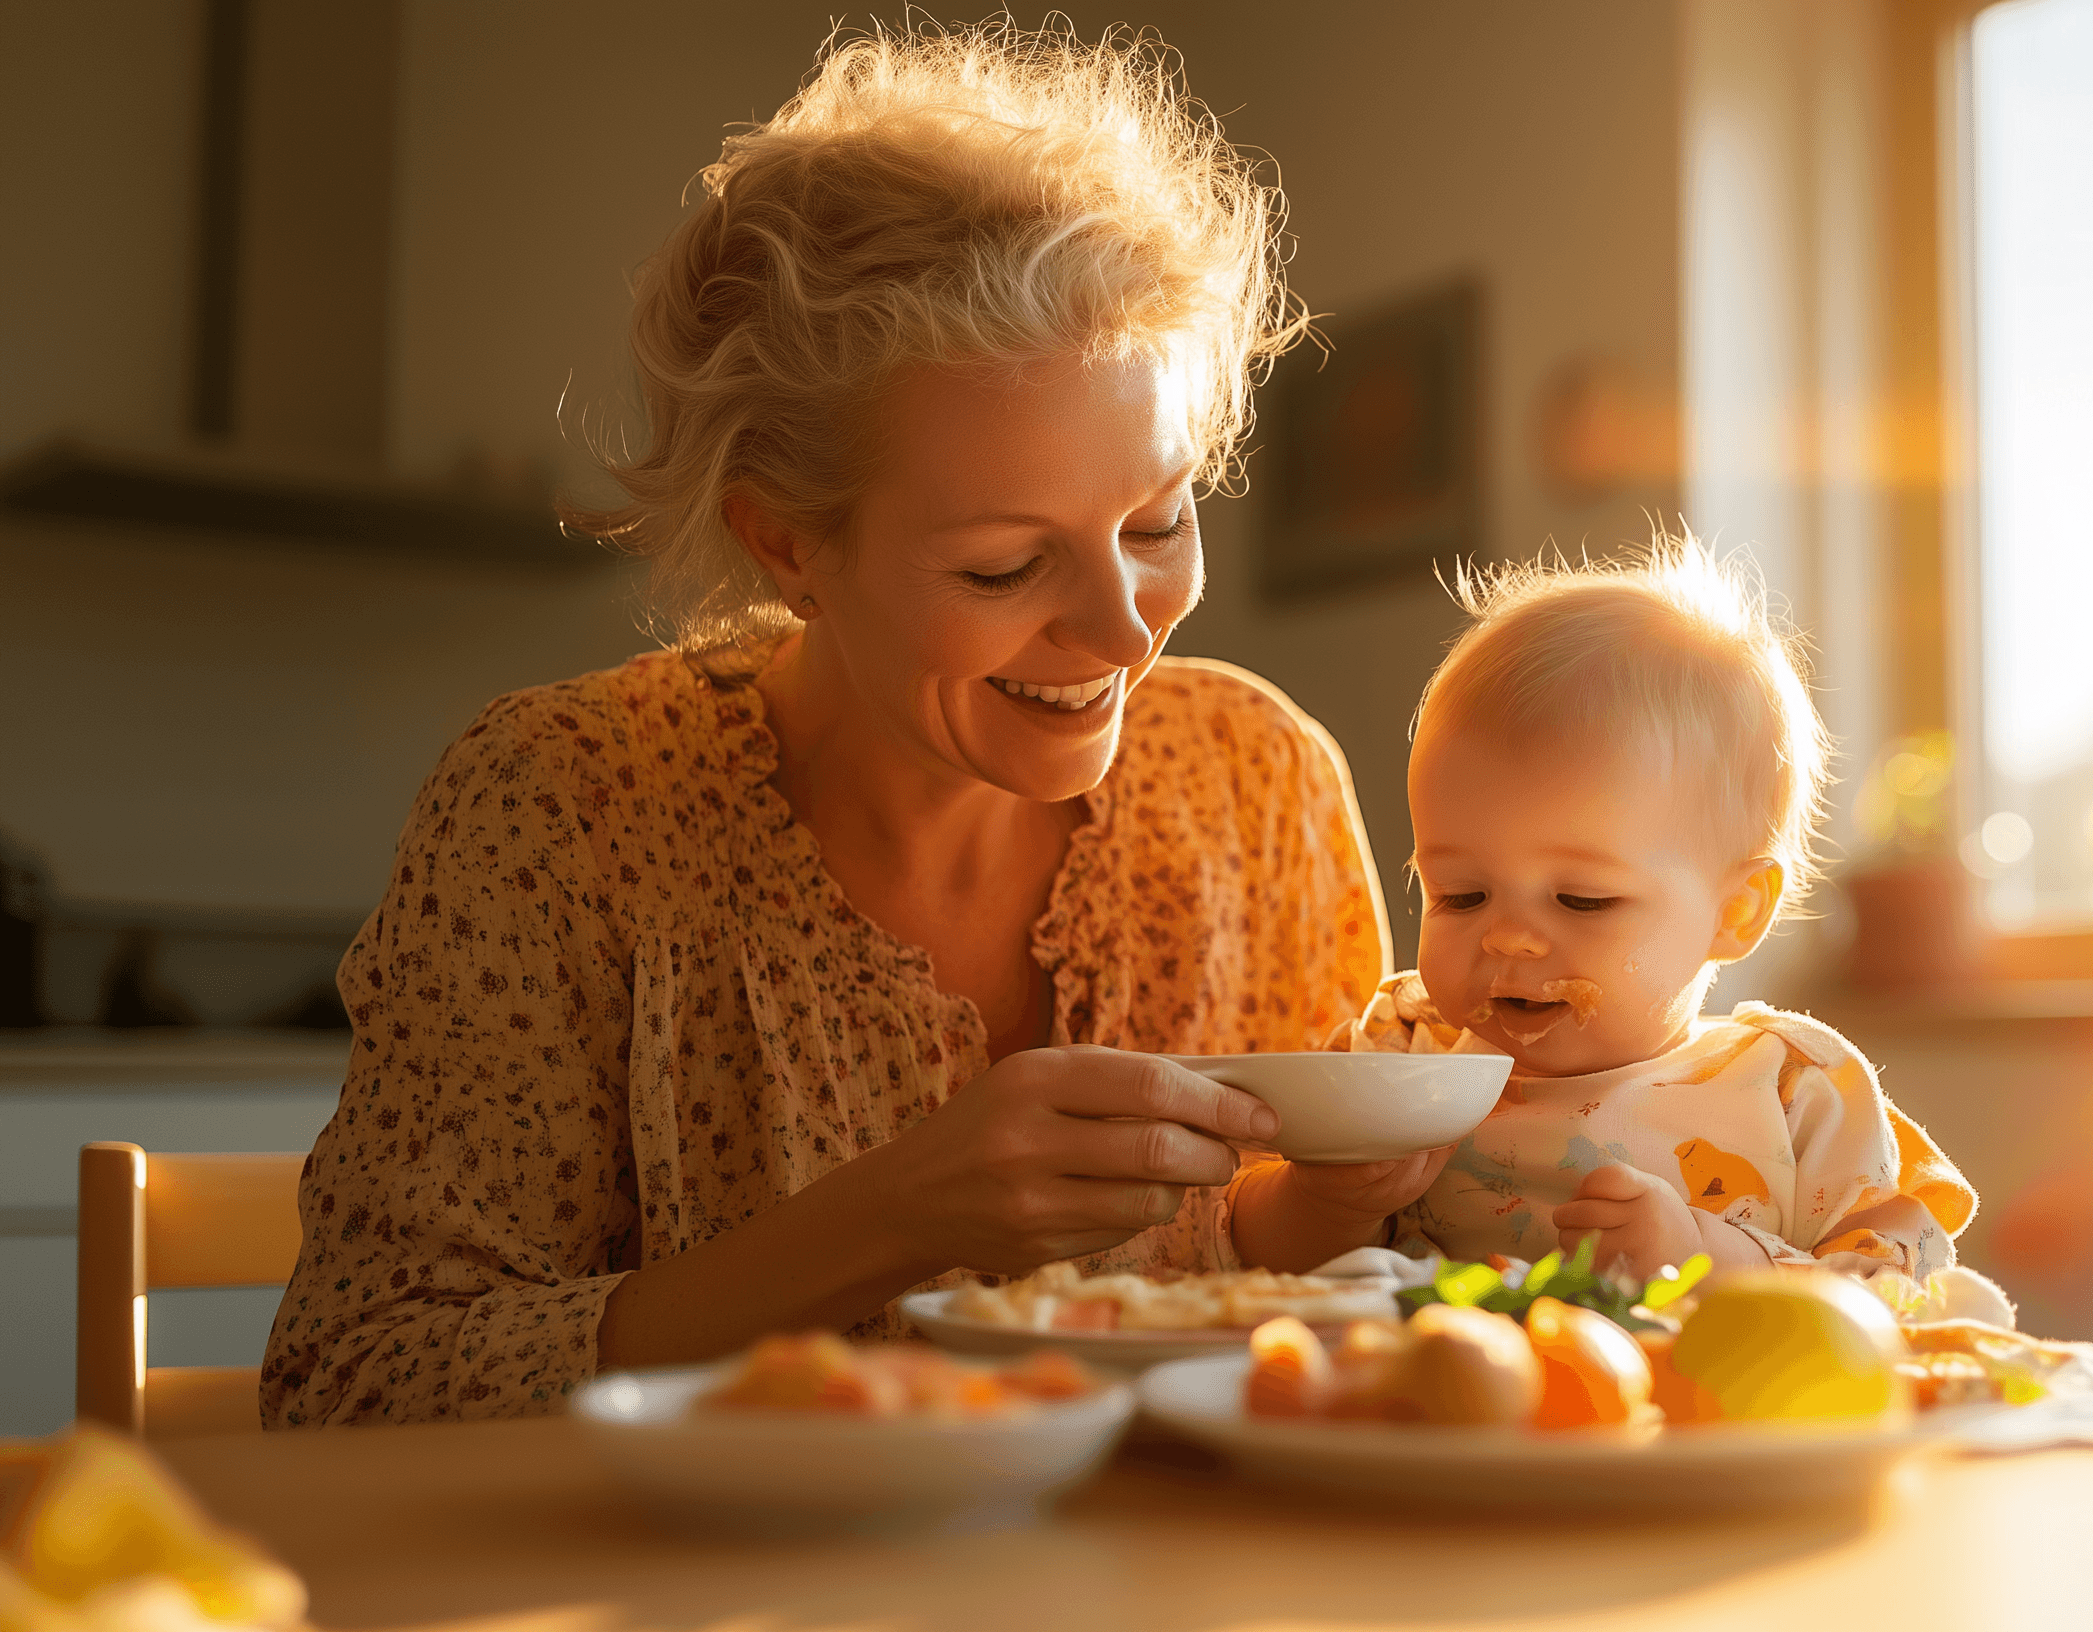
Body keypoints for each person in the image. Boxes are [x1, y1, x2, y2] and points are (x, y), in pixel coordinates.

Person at [262, 22, 1434, 1426]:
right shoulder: (560, 807)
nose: (1127, 631)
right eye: (1006, 566)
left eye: (1158, 520)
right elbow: (355, 1386)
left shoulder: (1255, 778)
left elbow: (1356, 1284)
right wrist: (891, 1218)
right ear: (788, 546)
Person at [1233, 541, 2005, 1314]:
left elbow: (1900, 1302)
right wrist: (1323, 1204)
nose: (1509, 938)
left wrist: (1708, 1256)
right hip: (1441, 1415)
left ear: (1735, 912)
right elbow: (1240, 1254)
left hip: (1692, 1424)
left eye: (1582, 900)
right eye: (1461, 895)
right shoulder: (1400, 1057)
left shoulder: (1793, 1093)